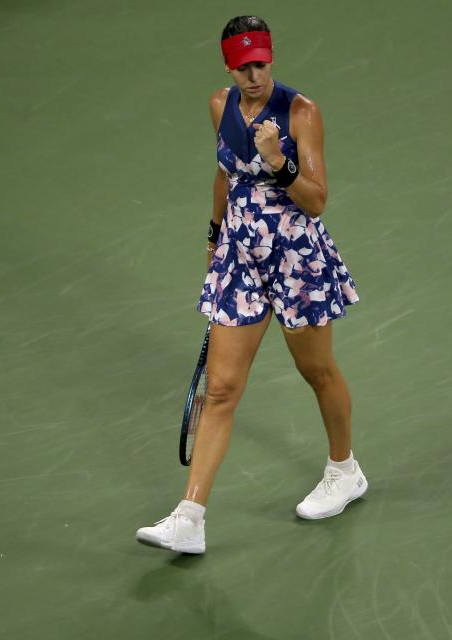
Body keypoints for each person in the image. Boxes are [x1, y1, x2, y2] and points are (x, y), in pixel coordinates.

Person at [136, 15, 365, 554]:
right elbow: (223, 173)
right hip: (240, 255)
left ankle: (345, 471)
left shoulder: (301, 112)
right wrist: (216, 232)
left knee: (317, 370)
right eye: (243, 68)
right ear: (228, 68)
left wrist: (279, 162)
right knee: (220, 389)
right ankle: (190, 517)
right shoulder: (219, 105)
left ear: (271, 59)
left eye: (260, 64)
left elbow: (316, 200)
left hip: (294, 256)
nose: (253, 75)